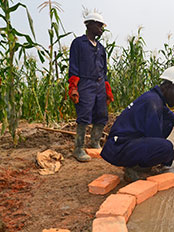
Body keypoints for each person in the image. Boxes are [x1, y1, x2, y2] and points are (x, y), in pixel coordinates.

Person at [101, 66, 174, 181]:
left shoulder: (157, 99)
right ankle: (133, 168)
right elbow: (154, 136)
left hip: (126, 144)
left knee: (169, 122)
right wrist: (171, 154)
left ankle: (141, 163)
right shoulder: (152, 102)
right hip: (119, 148)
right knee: (166, 147)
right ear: (170, 86)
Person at [68, 10, 114, 162]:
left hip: (99, 83)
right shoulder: (78, 44)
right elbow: (73, 67)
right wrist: (74, 86)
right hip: (85, 83)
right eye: (99, 26)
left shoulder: (101, 48)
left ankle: (95, 142)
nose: (101, 29)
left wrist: (106, 88)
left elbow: (104, 70)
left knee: (101, 114)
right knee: (84, 115)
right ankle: (78, 148)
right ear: (90, 25)